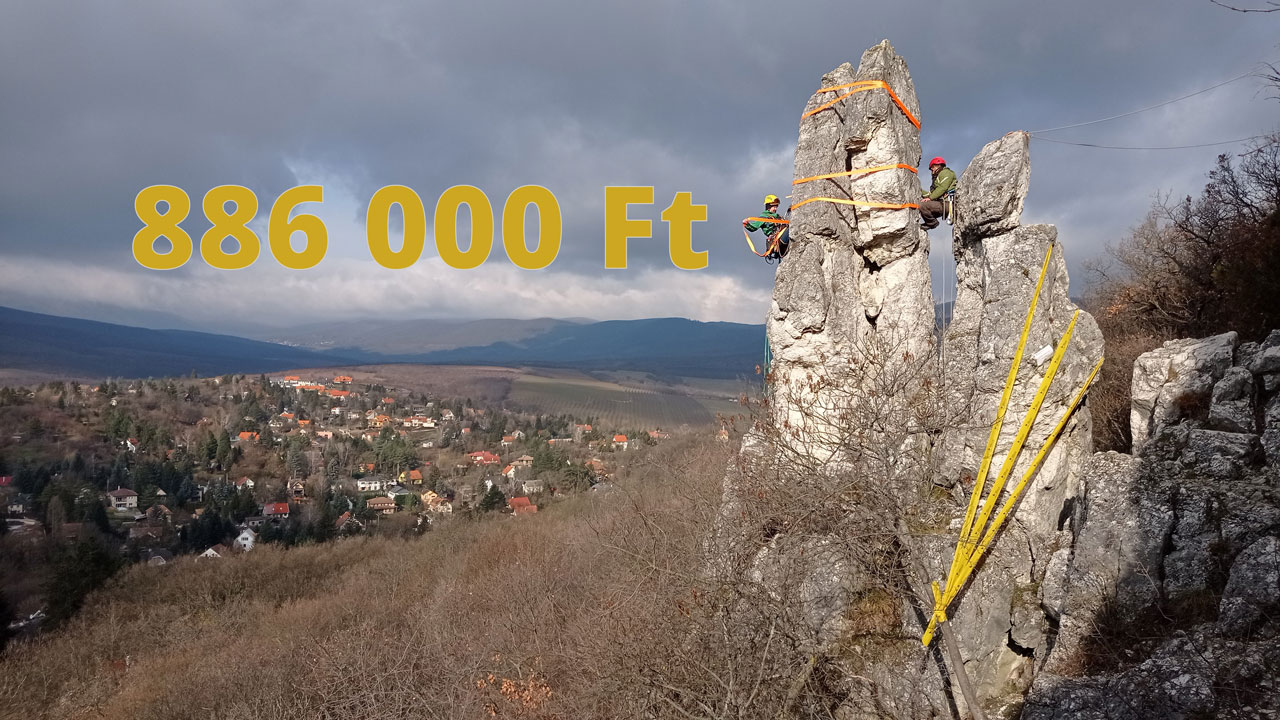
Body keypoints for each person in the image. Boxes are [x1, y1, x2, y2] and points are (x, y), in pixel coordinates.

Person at [743, 194, 790, 261]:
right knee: (792, 229)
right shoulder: (764, 217)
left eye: (776, 206)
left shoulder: (777, 216)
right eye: (774, 207)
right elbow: (753, 228)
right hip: (777, 240)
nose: (775, 209)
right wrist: (746, 224)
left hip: (781, 237)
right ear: (768, 206)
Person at [919, 157, 956, 230]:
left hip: (948, 203)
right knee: (920, 206)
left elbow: (942, 188)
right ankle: (930, 222)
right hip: (942, 203)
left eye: (933, 167)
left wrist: (930, 198)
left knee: (922, 205)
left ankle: (932, 223)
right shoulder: (937, 178)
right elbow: (931, 194)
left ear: (939, 165)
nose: (931, 169)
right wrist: (918, 190)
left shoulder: (946, 173)